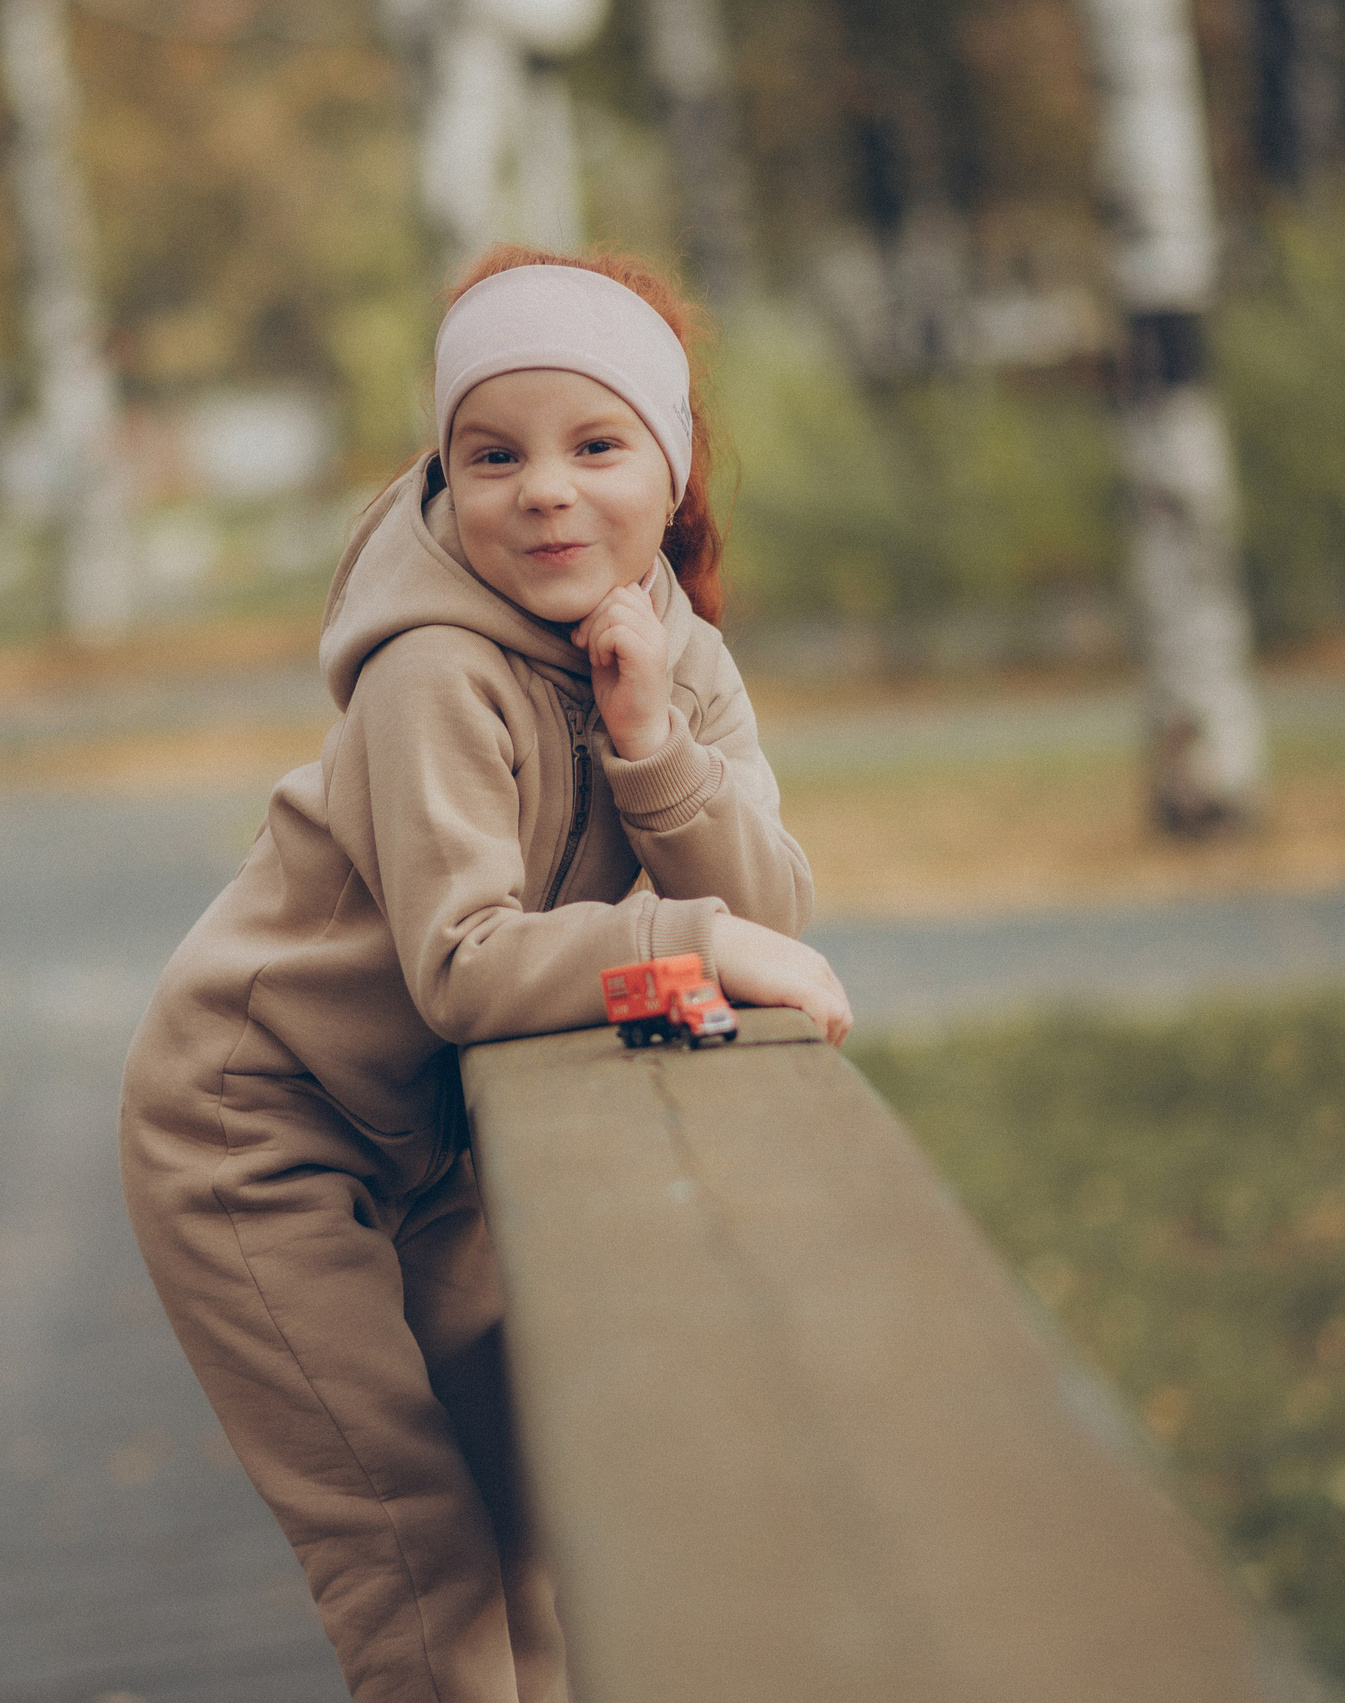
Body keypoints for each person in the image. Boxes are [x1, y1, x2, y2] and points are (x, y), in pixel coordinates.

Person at [118, 245, 853, 1703]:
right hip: (256, 1133)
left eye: (596, 446)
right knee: (415, 1559)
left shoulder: (678, 649)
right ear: (446, 475)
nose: (545, 491)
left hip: (434, 1134)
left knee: (529, 1536)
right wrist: (690, 947)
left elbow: (774, 903)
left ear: (671, 468)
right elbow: (464, 965)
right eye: (493, 454)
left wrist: (651, 743)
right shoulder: (431, 670)